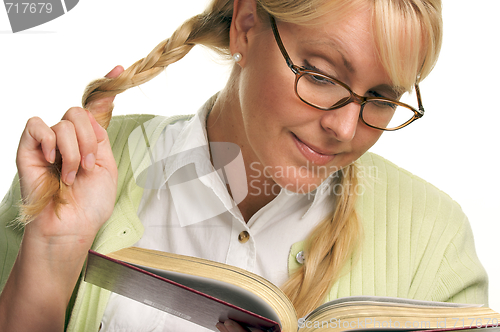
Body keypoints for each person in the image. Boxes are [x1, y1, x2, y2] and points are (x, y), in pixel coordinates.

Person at [0, 0, 488, 331]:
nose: (343, 127)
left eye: (381, 98)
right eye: (320, 75)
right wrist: (52, 252)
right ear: (247, 26)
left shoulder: (435, 242)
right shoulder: (74, 174)